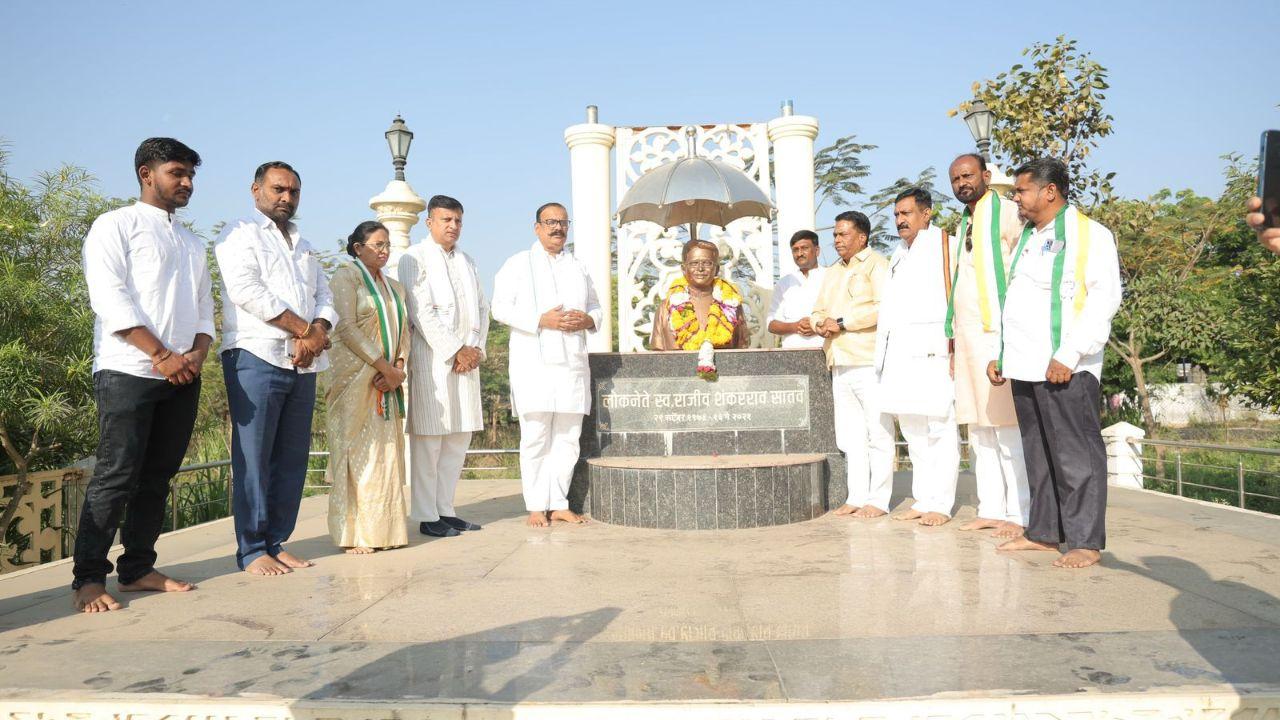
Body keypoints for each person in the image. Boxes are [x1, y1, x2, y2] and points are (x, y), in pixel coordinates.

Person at [73, 137, 212, 612]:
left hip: (181, 376)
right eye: (177, 172)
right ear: (145, 174)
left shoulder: (192, 242)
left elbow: (205, 313)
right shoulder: (115, 225)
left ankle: (137, 569)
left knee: (158, 478)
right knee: (115, 475)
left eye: (191, 174)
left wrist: (194, 356)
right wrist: (160, 355)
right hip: (128, 369)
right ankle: (89, 579)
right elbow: (109, 298)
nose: (187, 182)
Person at [989, 157, 1122, 569]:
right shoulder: (1030, 235)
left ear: (1050, 191)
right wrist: (1002, 353)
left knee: (1075, 453)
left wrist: (1069, 353)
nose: (1016, 199)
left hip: (1065, 364)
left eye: (1022, 191)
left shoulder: (1090, 234)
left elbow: (1104, 299)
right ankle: (1045, 533)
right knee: (1039, 451)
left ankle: (1085, 541)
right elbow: (1017, 298)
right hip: (1024, 363)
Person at [216, 161, 337, 576]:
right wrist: (305, 331)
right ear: (256, 191)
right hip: (256, 356)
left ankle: (276, 540)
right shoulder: (239, 234)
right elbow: (247, 290)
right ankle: (251, 549)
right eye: (278, 189)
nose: (286, 198)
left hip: (304, 363)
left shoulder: (303, 245)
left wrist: (316, 333)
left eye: (293, 192)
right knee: (253, 457)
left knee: (291, 459)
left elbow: (324, 294)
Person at [491, 203, 602, 527]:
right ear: (537, 227)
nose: (558, 228)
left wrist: (588, 319)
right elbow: (499, 307)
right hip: (534, 366)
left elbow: (595, 304)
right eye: (550, 222)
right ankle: (537, 505)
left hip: (571, 365)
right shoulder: (517, 264)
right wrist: (541, 319)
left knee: (568, 436)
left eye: (563, 222)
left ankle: (559, 502)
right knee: (537, 435)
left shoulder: (578, 266)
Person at [945, 154, 1031, 537]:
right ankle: (992, 507)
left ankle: (1021, 513)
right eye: (956, 179)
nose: (962, 183)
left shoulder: (1007, 211)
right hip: (966, 338)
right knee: (980, 429)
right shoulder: (966, 218)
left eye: (968, 175)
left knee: (1007, 426)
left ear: (985, 175)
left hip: (997, 335)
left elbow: (1023, 264)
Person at [398, 195, 489, 538]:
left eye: (458, 221)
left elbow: (483, 307)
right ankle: (426, 514)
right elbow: (420, 312)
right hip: (433, 362)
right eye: (446, 220)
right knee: (430, 441)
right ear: (430, 222)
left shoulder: (468, 261)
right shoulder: (413, 257)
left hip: (467, 364)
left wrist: (476, 349)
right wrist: (455, 350)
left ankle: (446, 510)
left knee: (457, 439)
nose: (453, 226)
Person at [876, 188, 961, 527]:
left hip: (933, 351)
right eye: (897, 215)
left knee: (940, 427)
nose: (900, 221)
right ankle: (924, 498)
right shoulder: (898, 253)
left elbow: (960, 299)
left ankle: (941, 503)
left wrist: (956, 348)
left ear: (926, 214)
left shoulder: (947, 247)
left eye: (907, 213)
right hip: (899, 354)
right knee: (912, 430)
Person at [325, 221, 410, 553]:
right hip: (355, 379)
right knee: (356, 453)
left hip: (386, 382)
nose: (384, 250)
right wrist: (383, 366)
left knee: (385, 454)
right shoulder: (345, 277)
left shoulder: (396, 288)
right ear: (358, 248)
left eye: (387, 244)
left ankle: (385, 532)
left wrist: (398, 368)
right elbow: (344, 327)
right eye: (377, 244)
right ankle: (356, 535)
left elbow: (404, 332)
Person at [811, 211, 895, 518]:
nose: (837, 240)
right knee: (850, 435)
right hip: (839, 361)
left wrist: (843, 323)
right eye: (834, 235)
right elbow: (817, 310)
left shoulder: (878, 265)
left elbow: (884, 308)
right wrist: (820, 323)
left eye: (843, 234)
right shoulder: (832, 272)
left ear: (861, 237)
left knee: (878, 432)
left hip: (867, 360)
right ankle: (857, 496)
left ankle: (880, 499)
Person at [649, 239, 750, 351]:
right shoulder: (666, 307)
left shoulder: (731, 305)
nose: (700, 268)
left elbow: (742, 349)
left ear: (716, 269)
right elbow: (657, 352)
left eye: (707, 263)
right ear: (683, 269)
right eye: (694, 263)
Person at [767, 230, 827, 349]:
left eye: (804, 248)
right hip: (791, 354)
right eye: (795, 250)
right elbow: (771, 324)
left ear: (817, 250)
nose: (799, 253)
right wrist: (795, 326)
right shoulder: (783, 283)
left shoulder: (831, 276)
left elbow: (843, 316)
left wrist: (816, 326)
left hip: (826, 350)